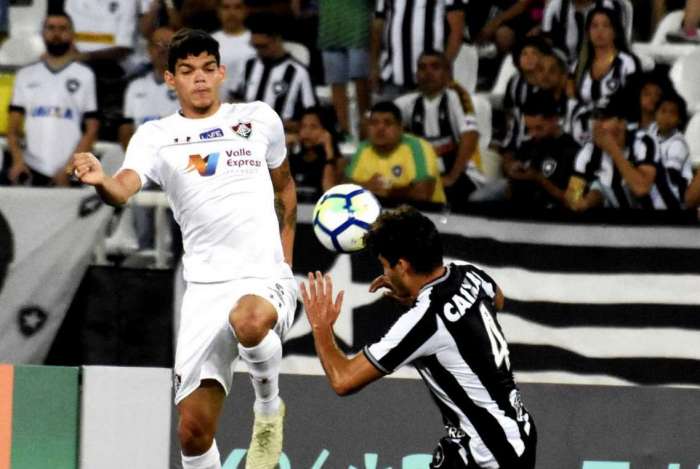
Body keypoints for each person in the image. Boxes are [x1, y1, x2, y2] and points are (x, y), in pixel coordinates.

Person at [70, 29, 298, 469]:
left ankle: (269, 411)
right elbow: (123, 189)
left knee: (249, 321)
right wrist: (101, 180)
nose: (200, 79)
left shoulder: (259, 119)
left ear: (221, 73)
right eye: (188, 71)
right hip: (203, 289)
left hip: (262, 278)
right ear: (169, 79)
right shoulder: (156, 136)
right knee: (192, 433)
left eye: (208, 70)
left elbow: (284, 190)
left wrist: (285, 266)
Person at [300, 205, 537, 469]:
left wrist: (321, 327)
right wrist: (414, 297)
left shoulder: (425, 319)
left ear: (402, 266)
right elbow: (498, 300)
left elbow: (343, 380)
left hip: (491, 455)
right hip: (515, 432)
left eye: (385, 266)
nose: (385, 274)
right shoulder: (468, 273)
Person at [5, 12, 99, 187]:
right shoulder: (25, 75)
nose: (56, 33)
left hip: (69, 173)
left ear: (72, 34)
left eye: (63, 28)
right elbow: (12, 128)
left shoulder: (85, 75)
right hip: (32, 168)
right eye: (51, 28)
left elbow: (92, 129)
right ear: (42, 33)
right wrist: (18, 161)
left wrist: (69, 169)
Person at [394, 50, 482, 210]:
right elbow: (373, 122)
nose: (428, 73)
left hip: (462, 174)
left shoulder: (457, 97)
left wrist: (452, 177)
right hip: (425, 176)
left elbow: (470, 136)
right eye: (422, 68)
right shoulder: (408, 104)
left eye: (435, 67)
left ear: (447, 72)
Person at [565, 93, 662, 211]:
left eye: (604, 118)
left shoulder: (644, 142)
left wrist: (613, 150)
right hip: (621, 225)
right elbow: (572, 196)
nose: (596, 124)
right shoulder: (589, 152)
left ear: (622, 123)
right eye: (595, 117)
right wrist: (584, 202)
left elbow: (641, 188)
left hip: (665, 221)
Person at [345, 101, 446, 206]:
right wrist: (366, 187)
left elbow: (423, 194)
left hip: (425, 216)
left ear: (400, 128)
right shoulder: (363, 148)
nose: (380, 129)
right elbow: (345, 186)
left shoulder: (417, 147)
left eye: (388, 123)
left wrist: (389, 192)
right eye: (374, 123)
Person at [230, 13, 317, 128]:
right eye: (255, 47)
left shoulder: (299, 73)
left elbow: (310, 115)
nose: (259, 51)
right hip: (247, 135)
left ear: (277, 40)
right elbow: (234, 101)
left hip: (283, 136)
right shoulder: (247, 65)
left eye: (263, 46)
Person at [370, 0, 465, 100]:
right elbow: (378, 23)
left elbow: (456, 29)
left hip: (431, 80)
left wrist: (444, 68)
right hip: (391, 76)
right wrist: (374, 67)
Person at [506, 91, 581, 209]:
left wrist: (540, 179)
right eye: (529, 128)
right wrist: (512, 171)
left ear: (554, 120)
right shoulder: (528, 145)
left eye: (539, 128)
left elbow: (574, 201)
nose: (533, 134)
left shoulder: (575, 153)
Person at [317, 0, 372, 139]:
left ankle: (366, 129)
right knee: (336, 82)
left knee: (361, 79)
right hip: (330, 26)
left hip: (359, 24)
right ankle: (343, 132)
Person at [570, 6, 641, 109]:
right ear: (588, 33)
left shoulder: (627, 63)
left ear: (615, 31)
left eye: (606, 25)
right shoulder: (578, 65)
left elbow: (634, 100)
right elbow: (571, 99)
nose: (600, 31)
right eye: (594, 26)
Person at [542, 0, 632, 64]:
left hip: (605, 64)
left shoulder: (616, 5)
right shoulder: (556, 5)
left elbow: (622, 45)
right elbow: (547, 43)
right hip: (565, 68)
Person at [648, 91, 694, 209]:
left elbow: (670, 175)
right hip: (654, 190)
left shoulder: (678, 143)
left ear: (679, 120)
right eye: (663, 111)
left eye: (672, 113)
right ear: (655, 114)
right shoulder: (651, 133)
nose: (666, 117)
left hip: (673, 197)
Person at [286, 106, 341, 202]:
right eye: (303, 126)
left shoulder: (336, 161)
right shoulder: (293, 159)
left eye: (313, 127)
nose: (307, 132)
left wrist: (329, 151)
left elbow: (329, 192)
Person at [211, 0, 255, 94]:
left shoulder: (256, 41)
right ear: (218, 12)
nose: (232, 13)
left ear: (246, 11)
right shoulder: (208, 42)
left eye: (237, 7)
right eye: (226, 7)